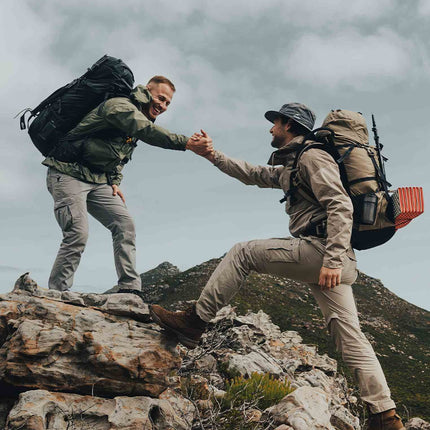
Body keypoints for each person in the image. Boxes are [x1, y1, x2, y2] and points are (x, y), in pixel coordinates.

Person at [149, 103, 405, 430]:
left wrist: (331, 258)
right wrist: (213, 155)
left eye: (275, 123)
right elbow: (253, 174)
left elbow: (340, 205)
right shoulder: (293, 165)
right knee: (350, 337)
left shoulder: (312, 158)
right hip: (336, 257)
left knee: (243, 253)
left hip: (323, 250)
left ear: (288, 124)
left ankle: (194, 321)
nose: (270, 129)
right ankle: (385, 416)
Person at [43, 76, 212, 293]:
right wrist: (187, 143)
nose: (163, 105)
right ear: (147, 91)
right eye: (160, 98)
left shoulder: (139, 116)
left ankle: (130, 289)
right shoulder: (120, 106)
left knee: (125, 226)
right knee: (77, 233)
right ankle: (57, 293)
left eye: (168, 103)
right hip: (67, 174)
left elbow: (120, 155)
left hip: (98, 180)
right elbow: (146, 131)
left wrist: (114, 181)